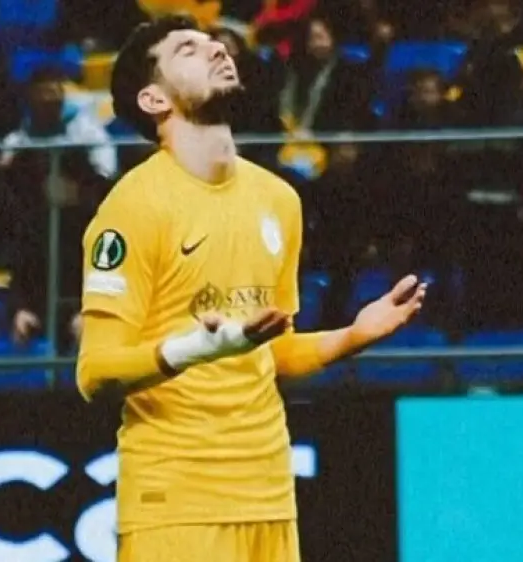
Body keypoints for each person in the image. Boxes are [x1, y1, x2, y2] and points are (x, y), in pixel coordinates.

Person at [75, 16, 427, 562]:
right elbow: (95, 373)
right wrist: (198, 348)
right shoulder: (132, 208)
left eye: (214, 43)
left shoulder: (278, 199)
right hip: (178, 501)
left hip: (269, 494)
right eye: (188, 49)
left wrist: (352, 336)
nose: (216, 48)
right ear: (153, 99)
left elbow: (272, 351)